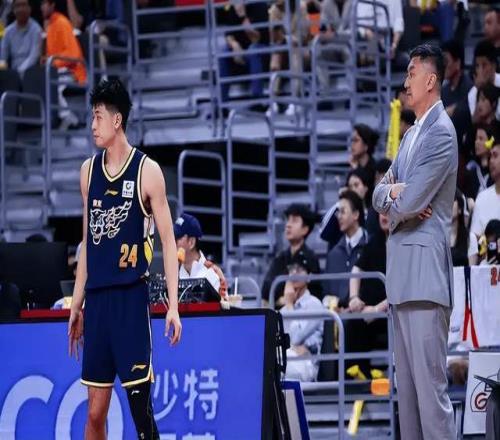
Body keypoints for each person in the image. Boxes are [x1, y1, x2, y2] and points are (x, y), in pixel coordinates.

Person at [68, 79, 181, 440]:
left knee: (140, 413)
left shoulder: (147, 171)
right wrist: (76, 302)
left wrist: (174, 306)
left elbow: (168, 241)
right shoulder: (88, 172)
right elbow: (87, 244)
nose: (92, 125)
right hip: (98, 303)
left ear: (117, 120)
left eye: (98, 116)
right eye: (92, 117)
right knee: (94, 413)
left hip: (130, 300)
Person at [372, 44, 457, 439]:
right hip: (403, 281)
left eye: (411, 73)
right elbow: (379, 194)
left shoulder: (441, 133)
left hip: (425, 281)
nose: (405, 82)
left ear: (431, 80)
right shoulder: (409, 136)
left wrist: (399, 199)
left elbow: (408, 202)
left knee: (430, 401)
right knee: (406, 404)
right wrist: (396, 194)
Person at [346, 212, 390, 376]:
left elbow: (405, 288)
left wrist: (377, 310)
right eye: (381, 212)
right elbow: (357, 269)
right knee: (352, 320)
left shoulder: (406, 244)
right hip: (370, 309)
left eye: (388, 212)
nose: (383, 216)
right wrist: (354, 298)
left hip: (393, 311)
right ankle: (356, 376)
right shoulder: (375, 241)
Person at [261, 203, 322, 307]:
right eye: (288, 220)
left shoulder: (310, 258)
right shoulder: (280, 257)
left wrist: (282, 298)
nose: (288, 225)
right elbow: (266, 289)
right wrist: (280, 300)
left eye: (294, 221)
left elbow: (310, 292)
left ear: (305, 229)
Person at [41, 0, 87, 129]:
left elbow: (73, 55)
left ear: (52, 5)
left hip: (72, 71)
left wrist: (52, 62)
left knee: (52, 83)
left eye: (44, 4)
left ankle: (70, 119)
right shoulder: (50, 26)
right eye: (41, 5)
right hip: (58, 70)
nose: (42, 8)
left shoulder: (62, 22)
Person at [280, 253, 324, 382]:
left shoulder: (314, 304)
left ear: (308, 277)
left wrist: (289, 305)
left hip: (307, 364)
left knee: (274, 362)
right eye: (291, 269)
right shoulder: (284, 310)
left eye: (299, 270)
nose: (294, 273)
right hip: (288, 356)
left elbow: (294, 337)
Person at [218, 0, 268, 103]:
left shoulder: (260, 6)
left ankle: (257, 99)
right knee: (223, 52)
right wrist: (234, 45)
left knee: (253, 50)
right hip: (241, 52)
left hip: (261, 52)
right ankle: (222, 102)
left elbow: (256, 39)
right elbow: (228, 34)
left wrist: (243, 17)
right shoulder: (234, 7)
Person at [325, 190, 368, 307]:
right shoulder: (333, 254)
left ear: (356, 214)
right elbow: (326, 294)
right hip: (338, 316)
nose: (339, 216)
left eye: (343, 211)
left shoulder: (370, 246)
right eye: (338, 212)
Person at [174, 212, 228, 299]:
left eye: (177, 238)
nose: (173, 243)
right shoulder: (173, 274)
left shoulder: (213, 274)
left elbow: (224, 305)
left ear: (191, 242)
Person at [468, 142, 500, 265]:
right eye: (490, 156)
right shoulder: (482, 198)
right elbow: (475, 239)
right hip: (487, 267)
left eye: (495, 156)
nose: (491, 161)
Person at [0, 0, 42, 78]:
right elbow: (2, 57)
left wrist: (18, 73)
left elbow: (34, 57)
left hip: (31, 74)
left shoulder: (36, 30)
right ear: (13, 10)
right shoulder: (8, 31)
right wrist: (3, 73)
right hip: (12, 74)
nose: (20, 9)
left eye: (23, 5)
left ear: (29, 9)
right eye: (17, 6)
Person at [441, 39, 472, 115]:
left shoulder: (470, 89)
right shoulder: (443, 91)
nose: (443, 66)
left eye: (446, 61)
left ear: (458, 62)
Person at [450, 189, 470, 267]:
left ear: (460, 209)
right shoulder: (436, 238)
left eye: (451, 201)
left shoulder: (470, 238)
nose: (447, 206)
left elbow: (472, 270)